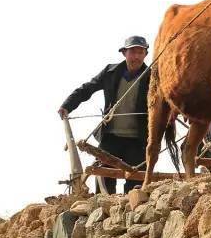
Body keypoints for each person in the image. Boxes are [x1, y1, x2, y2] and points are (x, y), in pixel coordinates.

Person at [58, 36, 151, 194]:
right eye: (132, 52)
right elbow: (87, 88)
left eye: (140, 52)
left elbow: (168, 97)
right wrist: (67, 105)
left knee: (135, 186)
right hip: (111, 137)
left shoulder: (152, 76)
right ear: (124, 53)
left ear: (145, 54)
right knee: (103, 182)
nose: (136, 56)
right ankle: (103, 215)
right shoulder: (110, 72)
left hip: (139, 139)